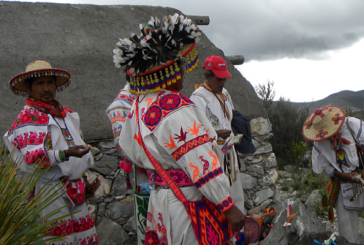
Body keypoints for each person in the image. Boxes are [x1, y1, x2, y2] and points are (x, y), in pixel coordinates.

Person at [113, 14, 245, 244]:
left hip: (161, 200)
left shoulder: (138, 106)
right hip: (189, 204)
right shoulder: (174, 107)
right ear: (170, 71)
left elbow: (128, 147)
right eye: (180, 66)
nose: (184, 71)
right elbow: (199, 161)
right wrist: (227, 204)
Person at [3, 60, 98, 244]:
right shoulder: (26, 120)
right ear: (29, 89)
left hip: (75, 187)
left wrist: (84, 179)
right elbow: (32, 160)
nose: (46, 88)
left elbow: (79, 148)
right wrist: (65, 154)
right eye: (40, 83)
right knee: (59, 239)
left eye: (50, 83)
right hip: (50, 190)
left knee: (83, 237)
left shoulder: (68, 116)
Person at [190, 55, 246, 216]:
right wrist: (214, 134)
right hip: (212, 158)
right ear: (207, 76)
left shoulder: (225, 94)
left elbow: (230, 117)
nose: (222, 83)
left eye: (224, 79)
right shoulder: (197, 98)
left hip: (230, 155)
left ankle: (238, 237)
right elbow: (194, 131)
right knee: (219, 199)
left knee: (236, 195)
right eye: (219, 79)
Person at [302, 105, 364, 244]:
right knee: (347, 232)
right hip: (343, 186)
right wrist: (343, 175)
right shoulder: (319, 142)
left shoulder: (352, 125)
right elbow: (323, 168)